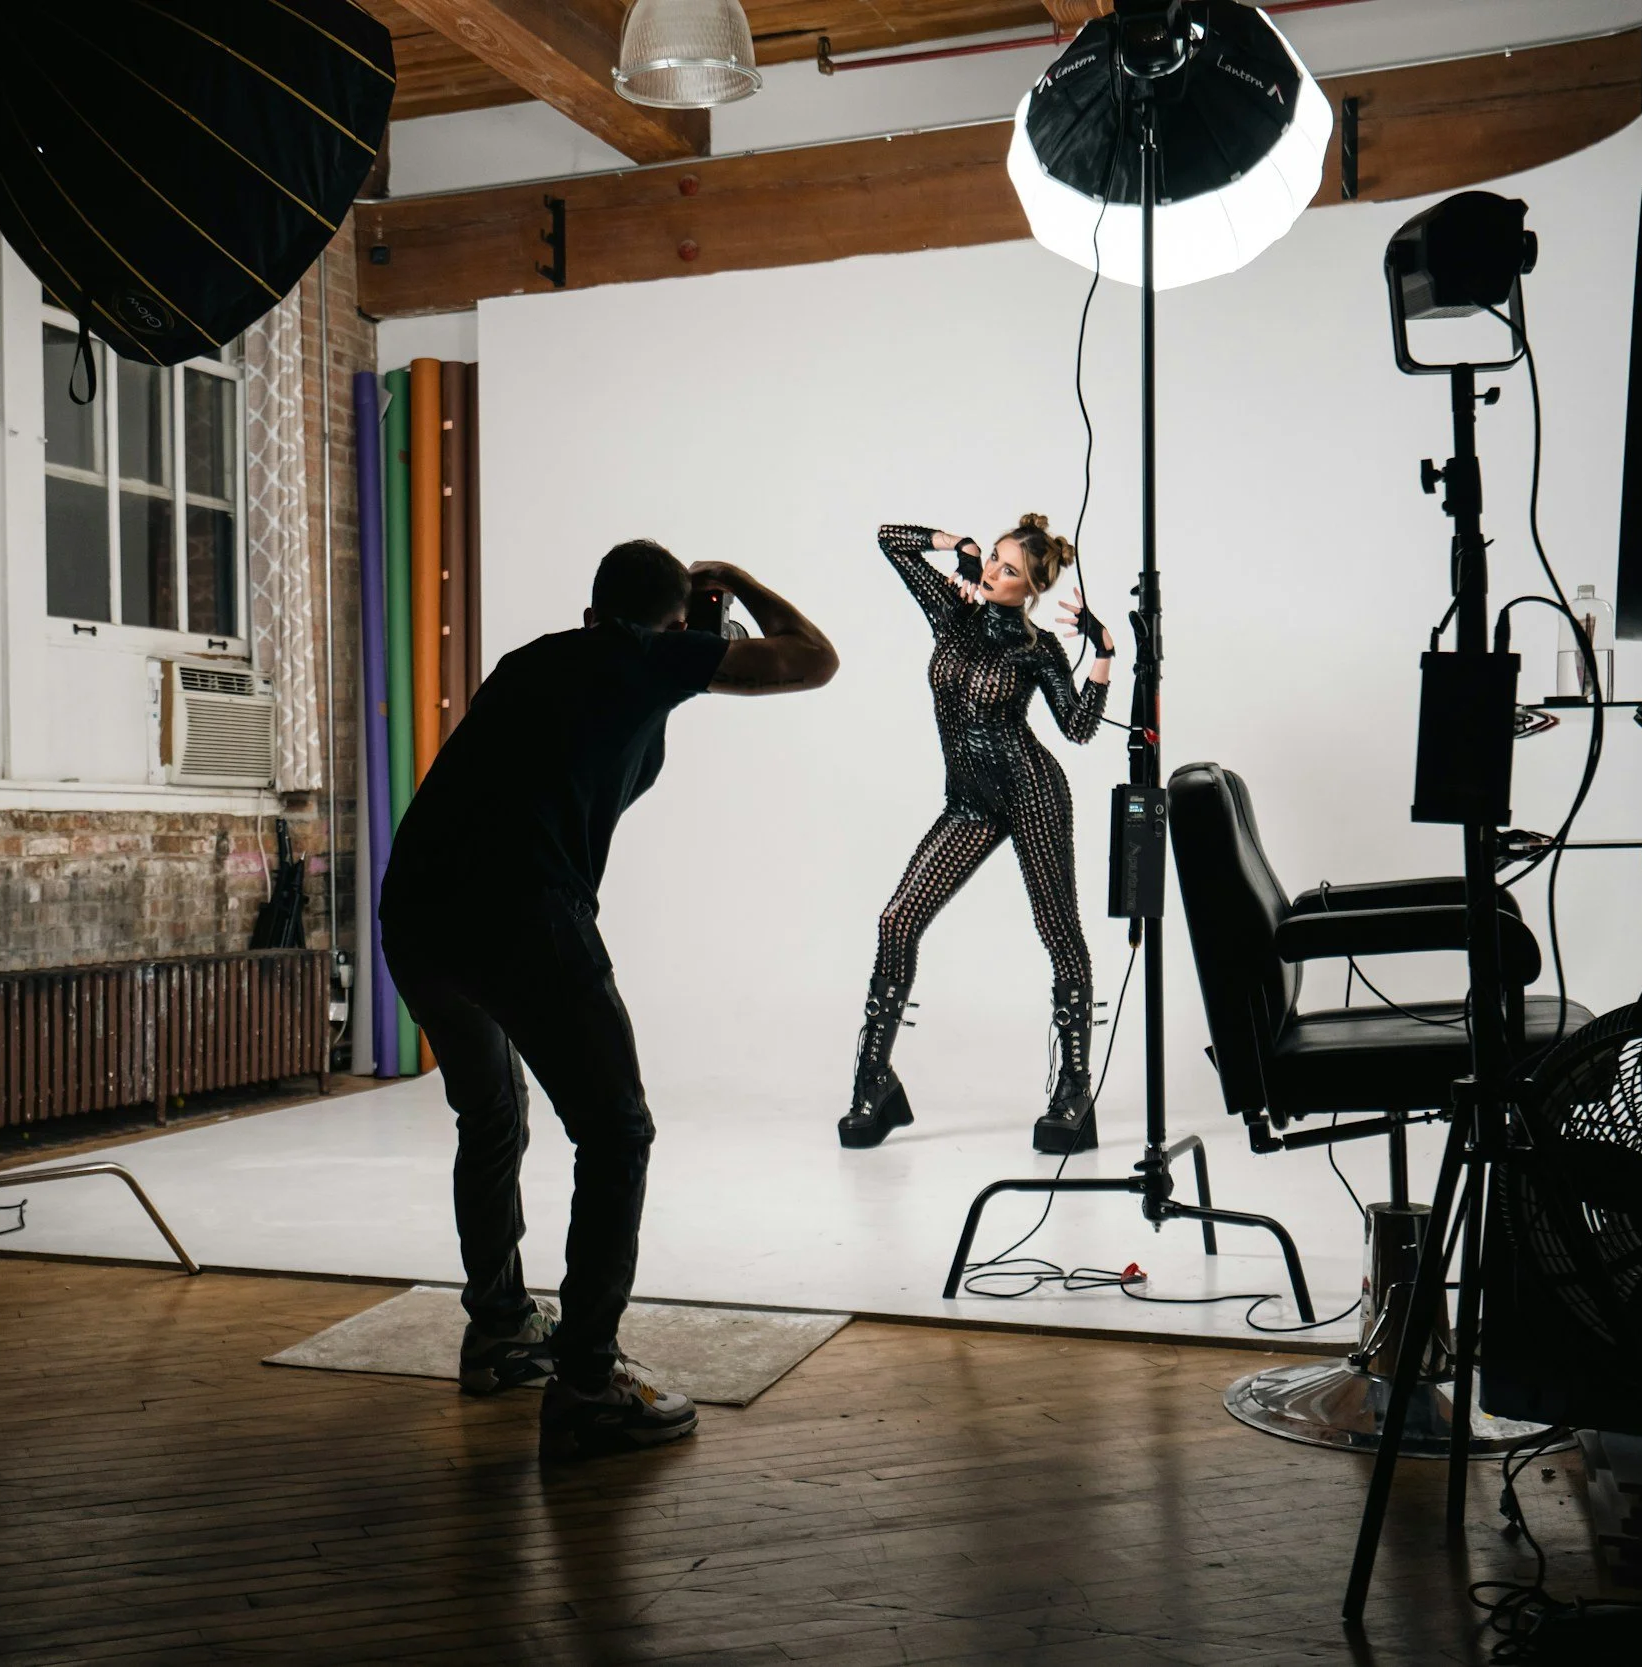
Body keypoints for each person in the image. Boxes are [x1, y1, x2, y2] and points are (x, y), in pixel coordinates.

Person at [382, 539, 838, 1460]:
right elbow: (811, 659)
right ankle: (588, 1378)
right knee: (617, 1131)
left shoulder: (538, 660)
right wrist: (739, 583)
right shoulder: (647, 655)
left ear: (594, 608)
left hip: (419, 913)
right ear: (673, 620)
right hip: (522, 913)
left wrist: (687, 640)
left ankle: (501, 1330)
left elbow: (612, 722)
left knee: (492, 1111)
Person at [837, 517, 1114, 1154]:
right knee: (897, 920)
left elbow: (1075, 728)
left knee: (1059, 934)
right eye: (992, 558)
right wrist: (953, 546)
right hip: (970, 803)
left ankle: (1074, 1091)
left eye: (1008, 569)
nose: (992, 572)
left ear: (1033, 590)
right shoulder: (951, 611)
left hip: (1032, 795)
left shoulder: (1037, 648)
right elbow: (888, 540)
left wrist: (1101, 654)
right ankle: (875, 1084)